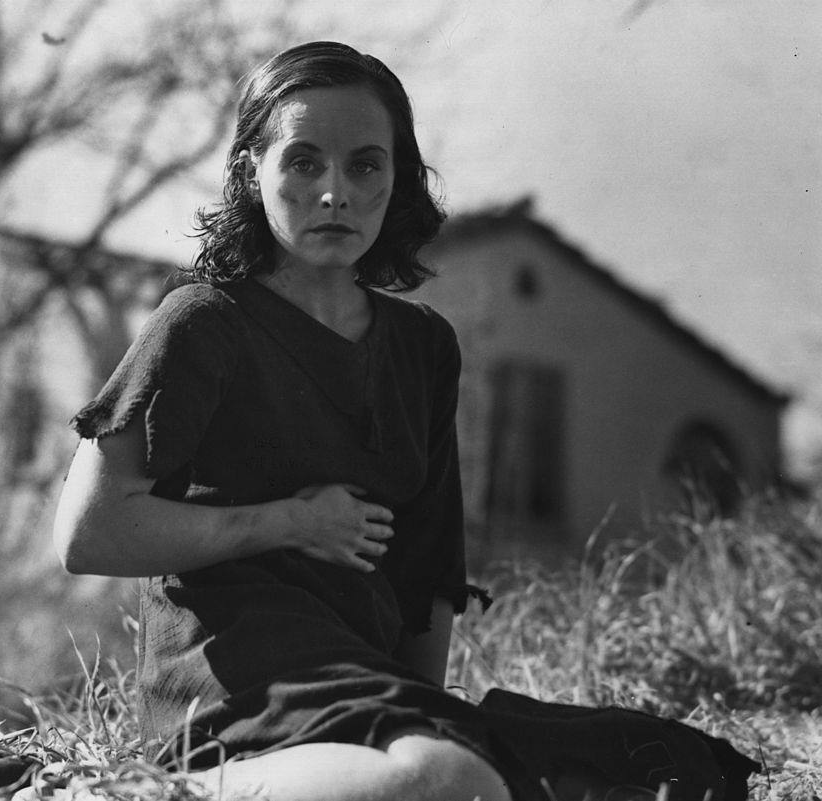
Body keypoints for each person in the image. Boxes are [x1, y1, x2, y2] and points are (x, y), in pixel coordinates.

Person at [53, 41, 758, 801]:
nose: (335, 192)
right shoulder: (202, 322)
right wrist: (287, 521)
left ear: (398, 179)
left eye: (365, 164)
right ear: (250, 173)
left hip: (364, 678)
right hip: (233, 685)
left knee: (667, 769)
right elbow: (87, 533)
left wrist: (431, 715)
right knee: (441, 780)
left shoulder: (423, 346)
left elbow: (425, 570)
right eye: (302, 162)